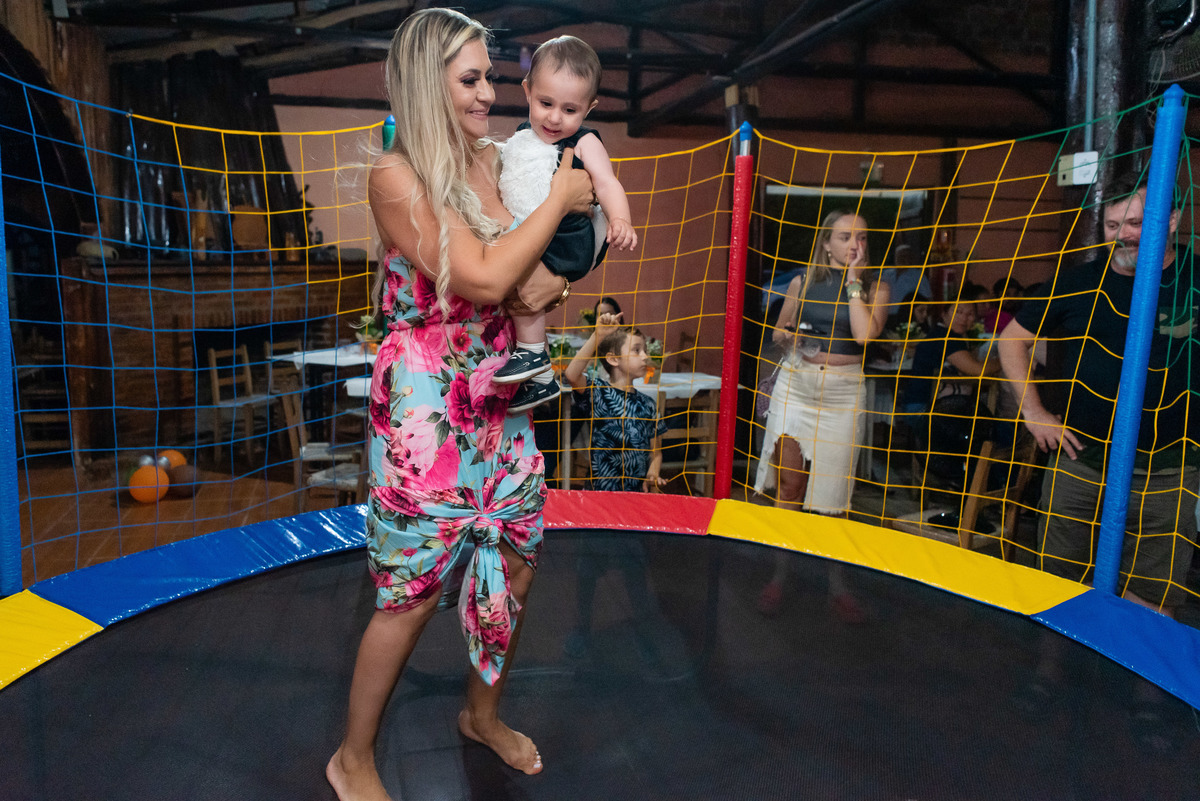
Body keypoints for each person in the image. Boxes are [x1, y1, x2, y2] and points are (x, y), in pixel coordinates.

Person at [325, 10, 596, 801]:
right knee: (409, 593)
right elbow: (480, 276)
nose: (488, 95)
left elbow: (545, 266)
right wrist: (563, 198)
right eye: (470, 79)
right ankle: (354, 755)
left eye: (488, 77)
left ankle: (481, 714)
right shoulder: (396, 176)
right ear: (426, 83)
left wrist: (563, 276)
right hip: (426, 403)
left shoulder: (499, 158)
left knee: (515, 559)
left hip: (501, 388)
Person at [996, 173, 1198, 617]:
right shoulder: (1078, 282)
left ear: (1171, 221)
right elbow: (1011, 339)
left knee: (1151, 599)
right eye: (1112, 225)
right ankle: (1052, 680)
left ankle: (1138, 683)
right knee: (1057, 585)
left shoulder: (1195, 279)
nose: (1123, 234)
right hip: (1081, 460)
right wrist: (1034, 412)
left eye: (1136, 222)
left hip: (1169, 467)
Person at [753, 210, 892, 617]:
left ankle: (836, 584)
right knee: (790, 488)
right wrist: (790, 336)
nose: (856, 245)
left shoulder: (875, 287)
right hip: (797, 384)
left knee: (833, 494)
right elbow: (779, 331)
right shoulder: (803, 281)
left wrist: (852, 287)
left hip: (843, 393)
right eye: (846, 237)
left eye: (862, 238)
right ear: (826, 244)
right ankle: (780, 576)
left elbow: (865, 335)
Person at [493, 35, 638, 412]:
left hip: (568, 236)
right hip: (541, 230)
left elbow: (606, 182)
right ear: (527, 91)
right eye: (545, 103)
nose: (555, 118)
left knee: (522, 277)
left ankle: (532, 353)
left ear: (589, 108)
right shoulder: (522, 137)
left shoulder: (584, 141)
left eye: (570, 109)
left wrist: (620, 218)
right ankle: (540, 380)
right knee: (512, 272)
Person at [564, 312, 668, 491]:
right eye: (636, 350)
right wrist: (598, 336)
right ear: (613, 359)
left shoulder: (648, 404)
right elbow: (571, 374)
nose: (644, 356)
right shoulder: (599, 393)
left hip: (634, 496)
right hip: (598, 495)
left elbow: (655, 453)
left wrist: (653, 473)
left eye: (645, 351)